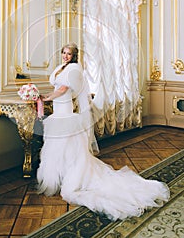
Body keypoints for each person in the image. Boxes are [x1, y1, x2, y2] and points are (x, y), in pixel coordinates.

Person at [37, 43, 170, 221]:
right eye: (64, 53)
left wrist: (46, 98)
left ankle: (71, 178)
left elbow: (63, 89)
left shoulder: (75, 69)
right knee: (58, 148)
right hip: (58, 111)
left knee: (66, 147)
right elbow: (56, 86)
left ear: (74, 56)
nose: (66, 56)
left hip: (65, 111)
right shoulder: (61, 67)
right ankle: (60, 177)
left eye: (69, 54)